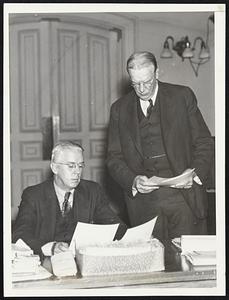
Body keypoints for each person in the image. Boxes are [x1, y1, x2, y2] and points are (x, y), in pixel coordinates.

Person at [107, 51, 214, 240]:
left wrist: (195, 174)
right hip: (144, 203)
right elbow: (114, 158)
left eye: (146, 82)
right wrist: (133, 180)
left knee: (187, 259)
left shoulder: (182, 96)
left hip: (184, 197)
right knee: (153, 262)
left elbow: (204, 142)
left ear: (157, 73)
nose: (141, 89)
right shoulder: (119, 109)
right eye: (135, 83)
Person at [12, 141, 127, 259]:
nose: (77, 171)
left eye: (80, 166)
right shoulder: (34, 195)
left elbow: (117, 227)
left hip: (83, 261)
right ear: (54, 168)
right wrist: (50, 247)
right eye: (71, 166)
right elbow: (19, 235)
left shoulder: (92, 191)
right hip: (46, 261)